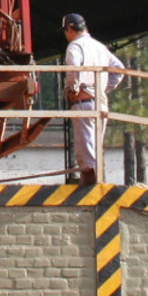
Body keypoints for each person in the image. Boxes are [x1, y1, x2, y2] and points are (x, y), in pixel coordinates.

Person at [62, 13, 125, 186]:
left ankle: (90, 185)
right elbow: (119, 69)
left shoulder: (75, 46)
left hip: (83, 102)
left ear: (70, 29)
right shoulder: (99, 47)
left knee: (86, 151)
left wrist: (73, 88)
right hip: (100, 103)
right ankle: (95, 182)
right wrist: (103, 88)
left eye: (65, 31)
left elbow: (73, 69)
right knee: (95, 147)